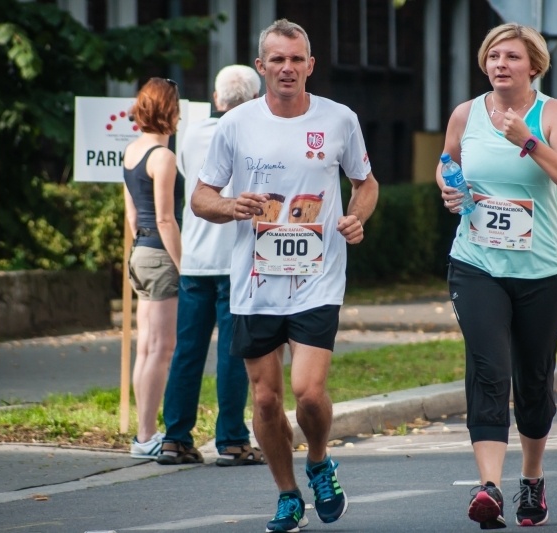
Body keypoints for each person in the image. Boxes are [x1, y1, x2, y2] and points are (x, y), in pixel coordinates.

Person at [190, 18, 379, 533]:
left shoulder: (339, 119)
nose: (288, 68)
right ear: (261, 66)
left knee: (309, 393)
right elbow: (201, 197)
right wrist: (231, 206)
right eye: (277, 59)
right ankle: (288, 494)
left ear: (310, 65)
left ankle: (319, 461)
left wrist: (356, 217)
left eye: (297, 59)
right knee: (266, 399)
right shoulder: (236, 124)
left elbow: (365, 183)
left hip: (318, 276)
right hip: (255, 281)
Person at [437, 23, 557, 528]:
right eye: (493, 56)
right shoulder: (466, 114)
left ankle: (532, 478)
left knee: (533, 380)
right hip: (476, 263)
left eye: (512, 57)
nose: (500, 64)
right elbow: (447, 161)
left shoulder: (552, 114)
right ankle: (489, 488)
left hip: (544, 271)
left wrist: (529, 141)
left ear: (534, 66)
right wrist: (449, 186)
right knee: (489, 369)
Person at [156, 65, 266, 466]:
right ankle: (232, 441)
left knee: (187, 351)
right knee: (233, 353)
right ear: (254, 99)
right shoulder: (256, 133)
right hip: (236, 259)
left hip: (195, 259)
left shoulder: (192, 134)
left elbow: (197, 185)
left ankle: (175, 438)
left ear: (217, 99)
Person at [122, 77, 184, 459]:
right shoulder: (163, 157)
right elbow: (165, 219)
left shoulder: (131, 151)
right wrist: (183, 266)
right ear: (169, 111)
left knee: (145, 348)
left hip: (140, 253)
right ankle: (146, 437)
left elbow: (133, 215)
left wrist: (141, 249)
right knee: (162, 348)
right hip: (161, 255)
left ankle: (144, 432)